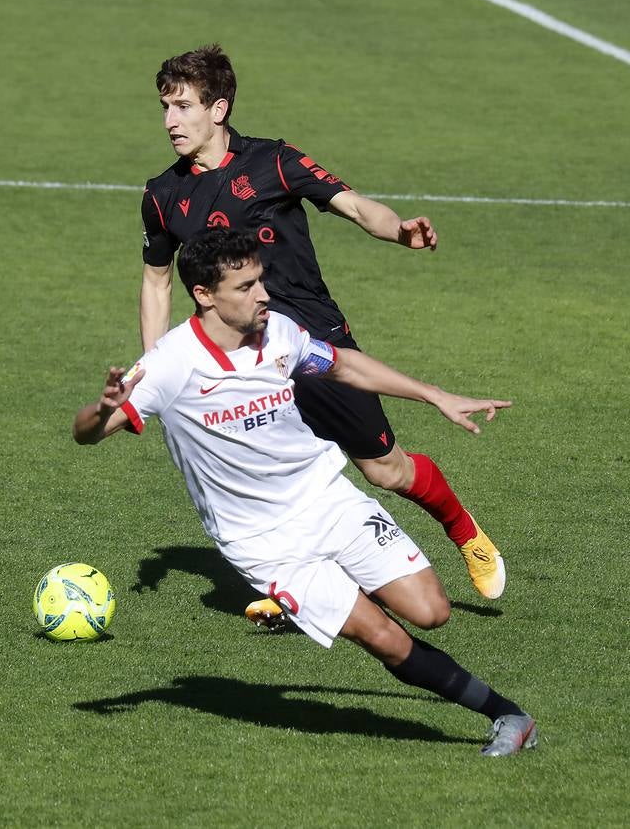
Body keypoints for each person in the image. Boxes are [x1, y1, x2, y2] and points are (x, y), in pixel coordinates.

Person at [77, 230, 536, 756]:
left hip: (325, 498)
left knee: (432, 610)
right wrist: (103, 406)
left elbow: (342, 364)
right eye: (245, 286)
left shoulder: (280, 334)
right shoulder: (169, 364)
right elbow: (87, 433)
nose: (262, 294)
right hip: (263, 540)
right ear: (205, 295)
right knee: (384, 639)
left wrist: (436, 396)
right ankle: (509, 716)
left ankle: (317, 598)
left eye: (261, 280)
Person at [139, 44, 505, 630]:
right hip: (238, 362)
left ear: (219, 108)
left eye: (182, 107)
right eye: (164, 108)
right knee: (269, 479)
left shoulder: (274, 162)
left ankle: (464, 531)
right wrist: (153, 365)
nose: (169, 122)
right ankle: (298, 584)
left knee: (386, 472)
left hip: (312, 341)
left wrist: (399, 229)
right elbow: (157, 281)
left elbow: (356, 207)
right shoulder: (163, 194)